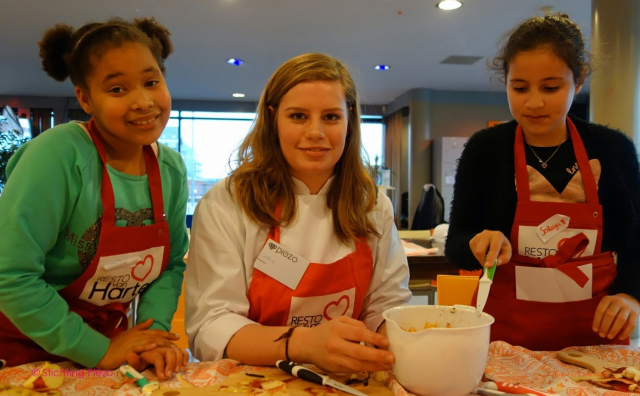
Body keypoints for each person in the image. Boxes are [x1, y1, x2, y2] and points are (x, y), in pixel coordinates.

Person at [185, 53, 411, 373]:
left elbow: (386, 306)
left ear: (349, 120)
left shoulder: (372, 206)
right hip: (255, 380)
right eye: (298, 116)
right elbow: (210, 325)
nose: (315, 132)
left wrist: (403, 341)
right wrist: (304, 345)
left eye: (331, 117)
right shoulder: (226, 204)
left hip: (345, 378)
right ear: (273, 118)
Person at [0, 17, 189, 379]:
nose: (143, 101)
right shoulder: (58, 156)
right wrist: (96, 349)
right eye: (117, 89)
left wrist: (150, 339)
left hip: (106, 344)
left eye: (152, 82)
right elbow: (11, 274)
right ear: (85, 98)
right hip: (21, 342)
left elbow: (169, 267)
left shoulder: (171, 170)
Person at [445, 13, 640, 351]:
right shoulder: (486, 149)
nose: (533, 102)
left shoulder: (611, 148)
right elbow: (456, 245)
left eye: (551, 87)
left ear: (577, 81)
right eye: (519, 88)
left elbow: (637, 238)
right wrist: (477, 243)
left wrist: (632, 294)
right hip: (506, 338)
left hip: (595, 337)